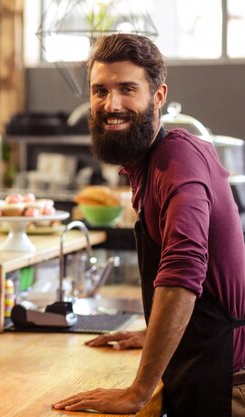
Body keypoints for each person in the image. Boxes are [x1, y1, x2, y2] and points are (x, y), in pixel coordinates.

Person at [52, 33, 245, 416]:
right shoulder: (146, 166)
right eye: (100, 90)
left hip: (230, 384)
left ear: (158, 96)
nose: (112, 104)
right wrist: (153, 333)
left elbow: (185, 269)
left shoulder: (178, 159)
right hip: (202, 367)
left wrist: (138, 391)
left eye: (128, 89)